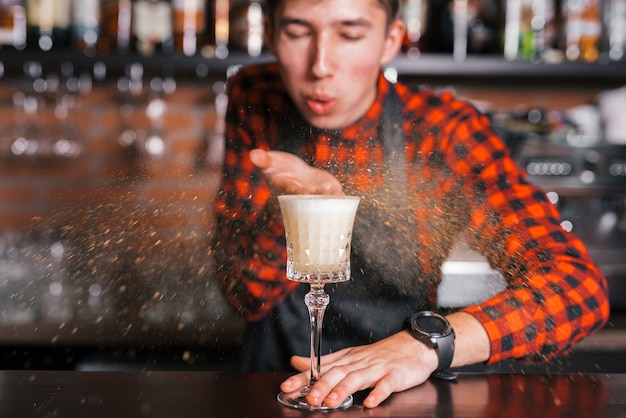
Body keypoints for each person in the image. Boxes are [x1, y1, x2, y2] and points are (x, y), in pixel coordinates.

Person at [212, 0, 610, 409]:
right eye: (297, 33)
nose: (320, 66)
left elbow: (579, 288)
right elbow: (246, 295)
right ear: (273, 34)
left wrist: (428, 343)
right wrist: (294, 208)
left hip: (400, 397)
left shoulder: (443, 130)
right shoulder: (256, 97)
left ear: (391, 41)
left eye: (349, 34)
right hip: (278, 389)